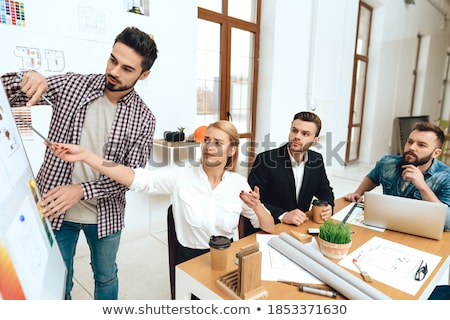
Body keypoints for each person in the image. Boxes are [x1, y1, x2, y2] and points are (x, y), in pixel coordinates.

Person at [1, 26, 158, 300]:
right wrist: (27, 76)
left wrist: (81, 191)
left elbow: (130, 177)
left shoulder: (144, 118)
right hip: (54, 208)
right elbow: (8, 92)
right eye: (113, 60)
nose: (114, 71)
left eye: (127, 69)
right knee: (58, 281)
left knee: (106, 276)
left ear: (144, 75)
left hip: (106, 216)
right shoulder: (74, 85)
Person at [45, 120, 275, 266]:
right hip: (190, 259)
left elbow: (269, 226)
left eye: (218, 142)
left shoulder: (238, 183)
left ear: (232, 150)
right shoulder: (182, 176)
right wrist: (88, 156)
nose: (209, 146)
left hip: (227, 259)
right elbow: (139, 179)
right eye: (206, 140)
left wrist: (255, 207)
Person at [344, 121, 450, 231]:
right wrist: (358, 192)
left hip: (419, 232)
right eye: (410, 142)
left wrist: (423, 187)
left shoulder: (446, 176)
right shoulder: (387, 162)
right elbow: (373, 177)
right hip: (386, 225)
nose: (412, 147)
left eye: (421, 145)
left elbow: (447, 223)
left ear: (436, 153)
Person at [247, 111, 334, 232]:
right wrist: (283, 215)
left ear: (315, 140)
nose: (297, 136)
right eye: (294, 130)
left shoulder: (316, 159)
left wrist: (329, 206)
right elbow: (252, 200)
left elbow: (325, 190)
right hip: (271, 227)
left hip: (301, 227)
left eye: (305, 134)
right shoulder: (265, 160)